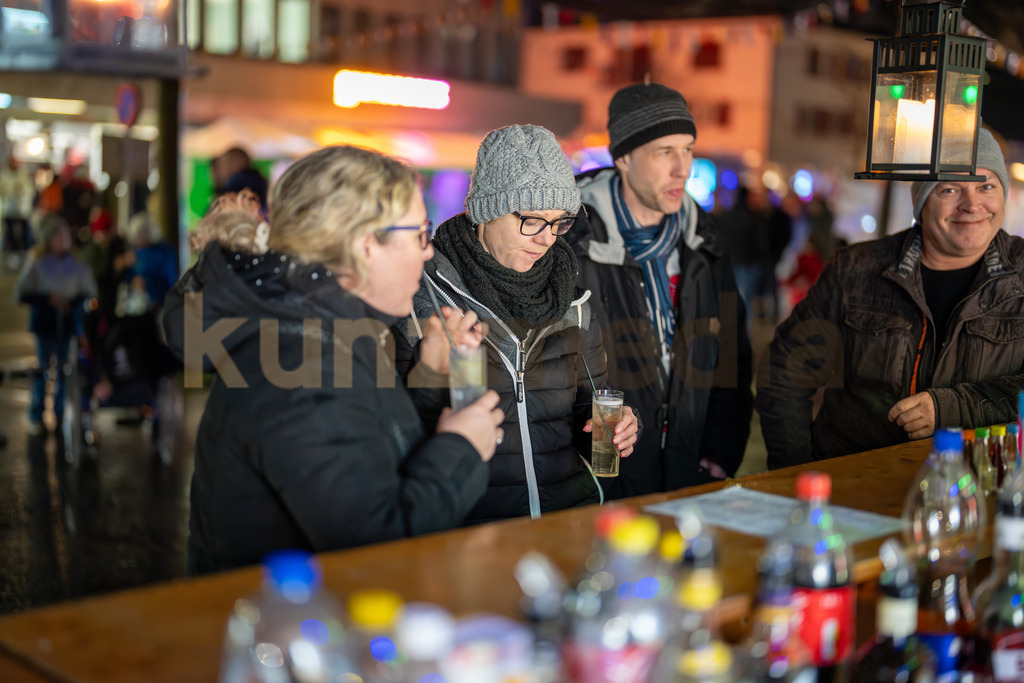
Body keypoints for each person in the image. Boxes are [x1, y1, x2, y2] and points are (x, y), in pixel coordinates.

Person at [160, 147, 504, 574]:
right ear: (364, 247)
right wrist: (462, 449)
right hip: (290, 628)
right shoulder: (300, 360)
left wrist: (430, 371)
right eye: (418, 234)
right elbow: (376, 543)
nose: (428, 251)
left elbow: (362, 445)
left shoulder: (323, 324)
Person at [394, 124, 639, 523]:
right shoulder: (424, 299)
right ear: (486, 211)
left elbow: (587, 403)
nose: (546, 239)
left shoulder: (572, 300)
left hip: (568, 519)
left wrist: (620, 425)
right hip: (471, 525)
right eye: (531, 220)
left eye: (559, 222)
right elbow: (395, 429)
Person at [756, 127, 1024, 468]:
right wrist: (795, 472)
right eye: (950, 188)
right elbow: (785, 372)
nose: (972, 205)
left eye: (986, 186)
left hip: (982, 491)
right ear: (922, 200)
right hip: (855, 489)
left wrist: (949, 408)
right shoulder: (856, 269)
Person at [568, 81, 753, 498]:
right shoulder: (572, 241)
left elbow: (731, 355)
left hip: (690, 468)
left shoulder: (704, 241)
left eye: (687, 149)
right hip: (602, 477)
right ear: (624, 158)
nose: (682, 167)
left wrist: (721, 449)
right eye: (664, 152)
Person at [14, 214, 98, 436]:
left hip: (68, 324)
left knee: (65, 370)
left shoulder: (76, 264)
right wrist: (46, 299)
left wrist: (74, 304)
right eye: (57, 237)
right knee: (43, 369)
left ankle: (61, 413)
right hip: (45, 323)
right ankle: (36, 413)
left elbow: (89, 292)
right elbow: (22, 293)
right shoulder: (38, 263)